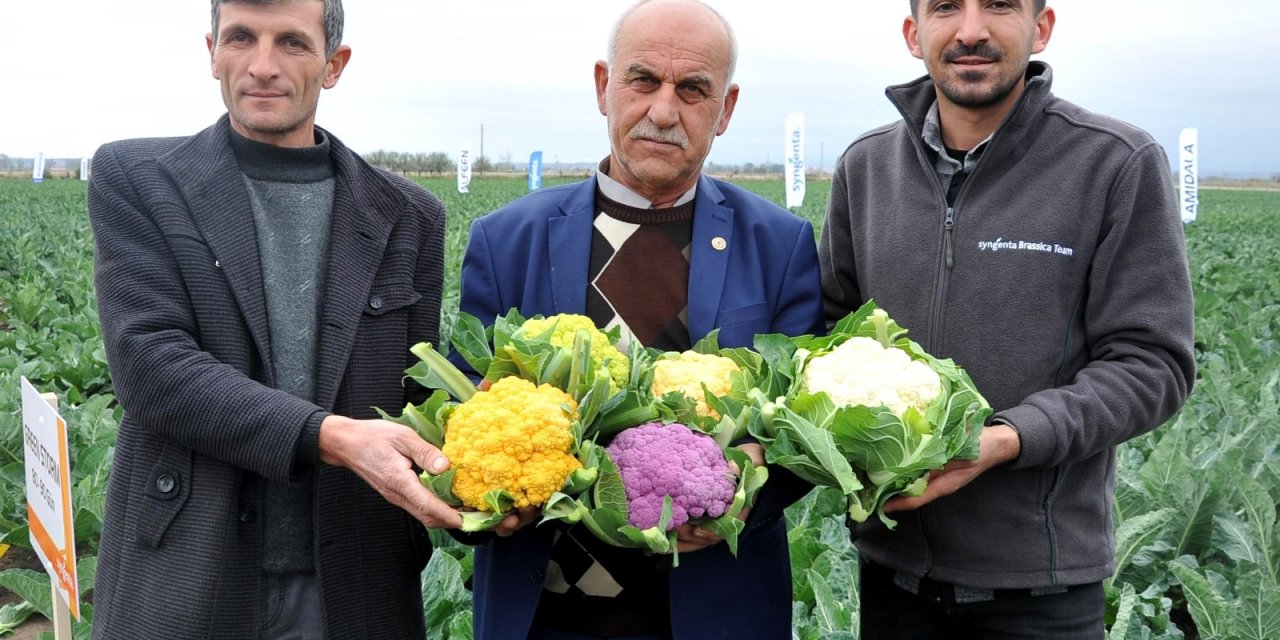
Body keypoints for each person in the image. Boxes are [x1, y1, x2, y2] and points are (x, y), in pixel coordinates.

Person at [820, 1, 1196, 638]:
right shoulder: (866, 168)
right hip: (889, 576)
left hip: (1041, 590)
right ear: (914, 35)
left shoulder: (1115, 162)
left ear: (1041, 27)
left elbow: (1152, 364)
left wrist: (1006, 438)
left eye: (998, 4)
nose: (971, 30)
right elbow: (825, 335)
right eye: (945, 8)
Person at [86, 1, 461, 638]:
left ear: (333, 64)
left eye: (291, 42)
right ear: (212, 52)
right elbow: (150, 365)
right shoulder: (138, 179)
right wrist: (330, 436)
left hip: (353, 576)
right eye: (241, 38)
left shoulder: (408, 214)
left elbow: (420, 398)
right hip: (188, 565)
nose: (262, 66)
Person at [456, 1, 824, 638]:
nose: (663, 111)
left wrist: (743, 489)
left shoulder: (779, 243)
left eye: (692, 89)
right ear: (604, 87)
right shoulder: (505, 239)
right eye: (643, 80)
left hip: (713, 605)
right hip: (544, 608)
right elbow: (462, 405)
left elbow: (806, 422)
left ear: (726, 109)